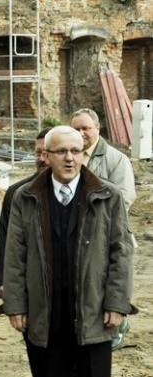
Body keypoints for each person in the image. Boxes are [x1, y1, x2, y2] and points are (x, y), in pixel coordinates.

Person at [3, 125, 134, 377]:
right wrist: (16, 304)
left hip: (93, 306)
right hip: (48, 307)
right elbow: (14, 255)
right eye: (61, 151)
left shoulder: (107, 196)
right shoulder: (27, 197)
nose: (69, 158)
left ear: (84, 153)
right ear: (46, 155)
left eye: (76, 151)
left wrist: (117, 302)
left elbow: (121, 252)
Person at [0, 129, 50, 377]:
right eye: (38, 151)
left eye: (46, 151)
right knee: (38, 355)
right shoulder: (17, 192)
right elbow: (7, 243)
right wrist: (3, 282)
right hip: (29, 292)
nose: (41, 158)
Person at [70, 107, 136, 350]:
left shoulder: (116, 159)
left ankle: (116, 329)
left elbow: (125, 197)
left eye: (85, 127)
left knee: (111, 281)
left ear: (97, 128)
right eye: (76, 128)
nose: (81, 132)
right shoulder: (71, 156)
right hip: (75, 236)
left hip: (106, 235)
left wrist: (92, 220)